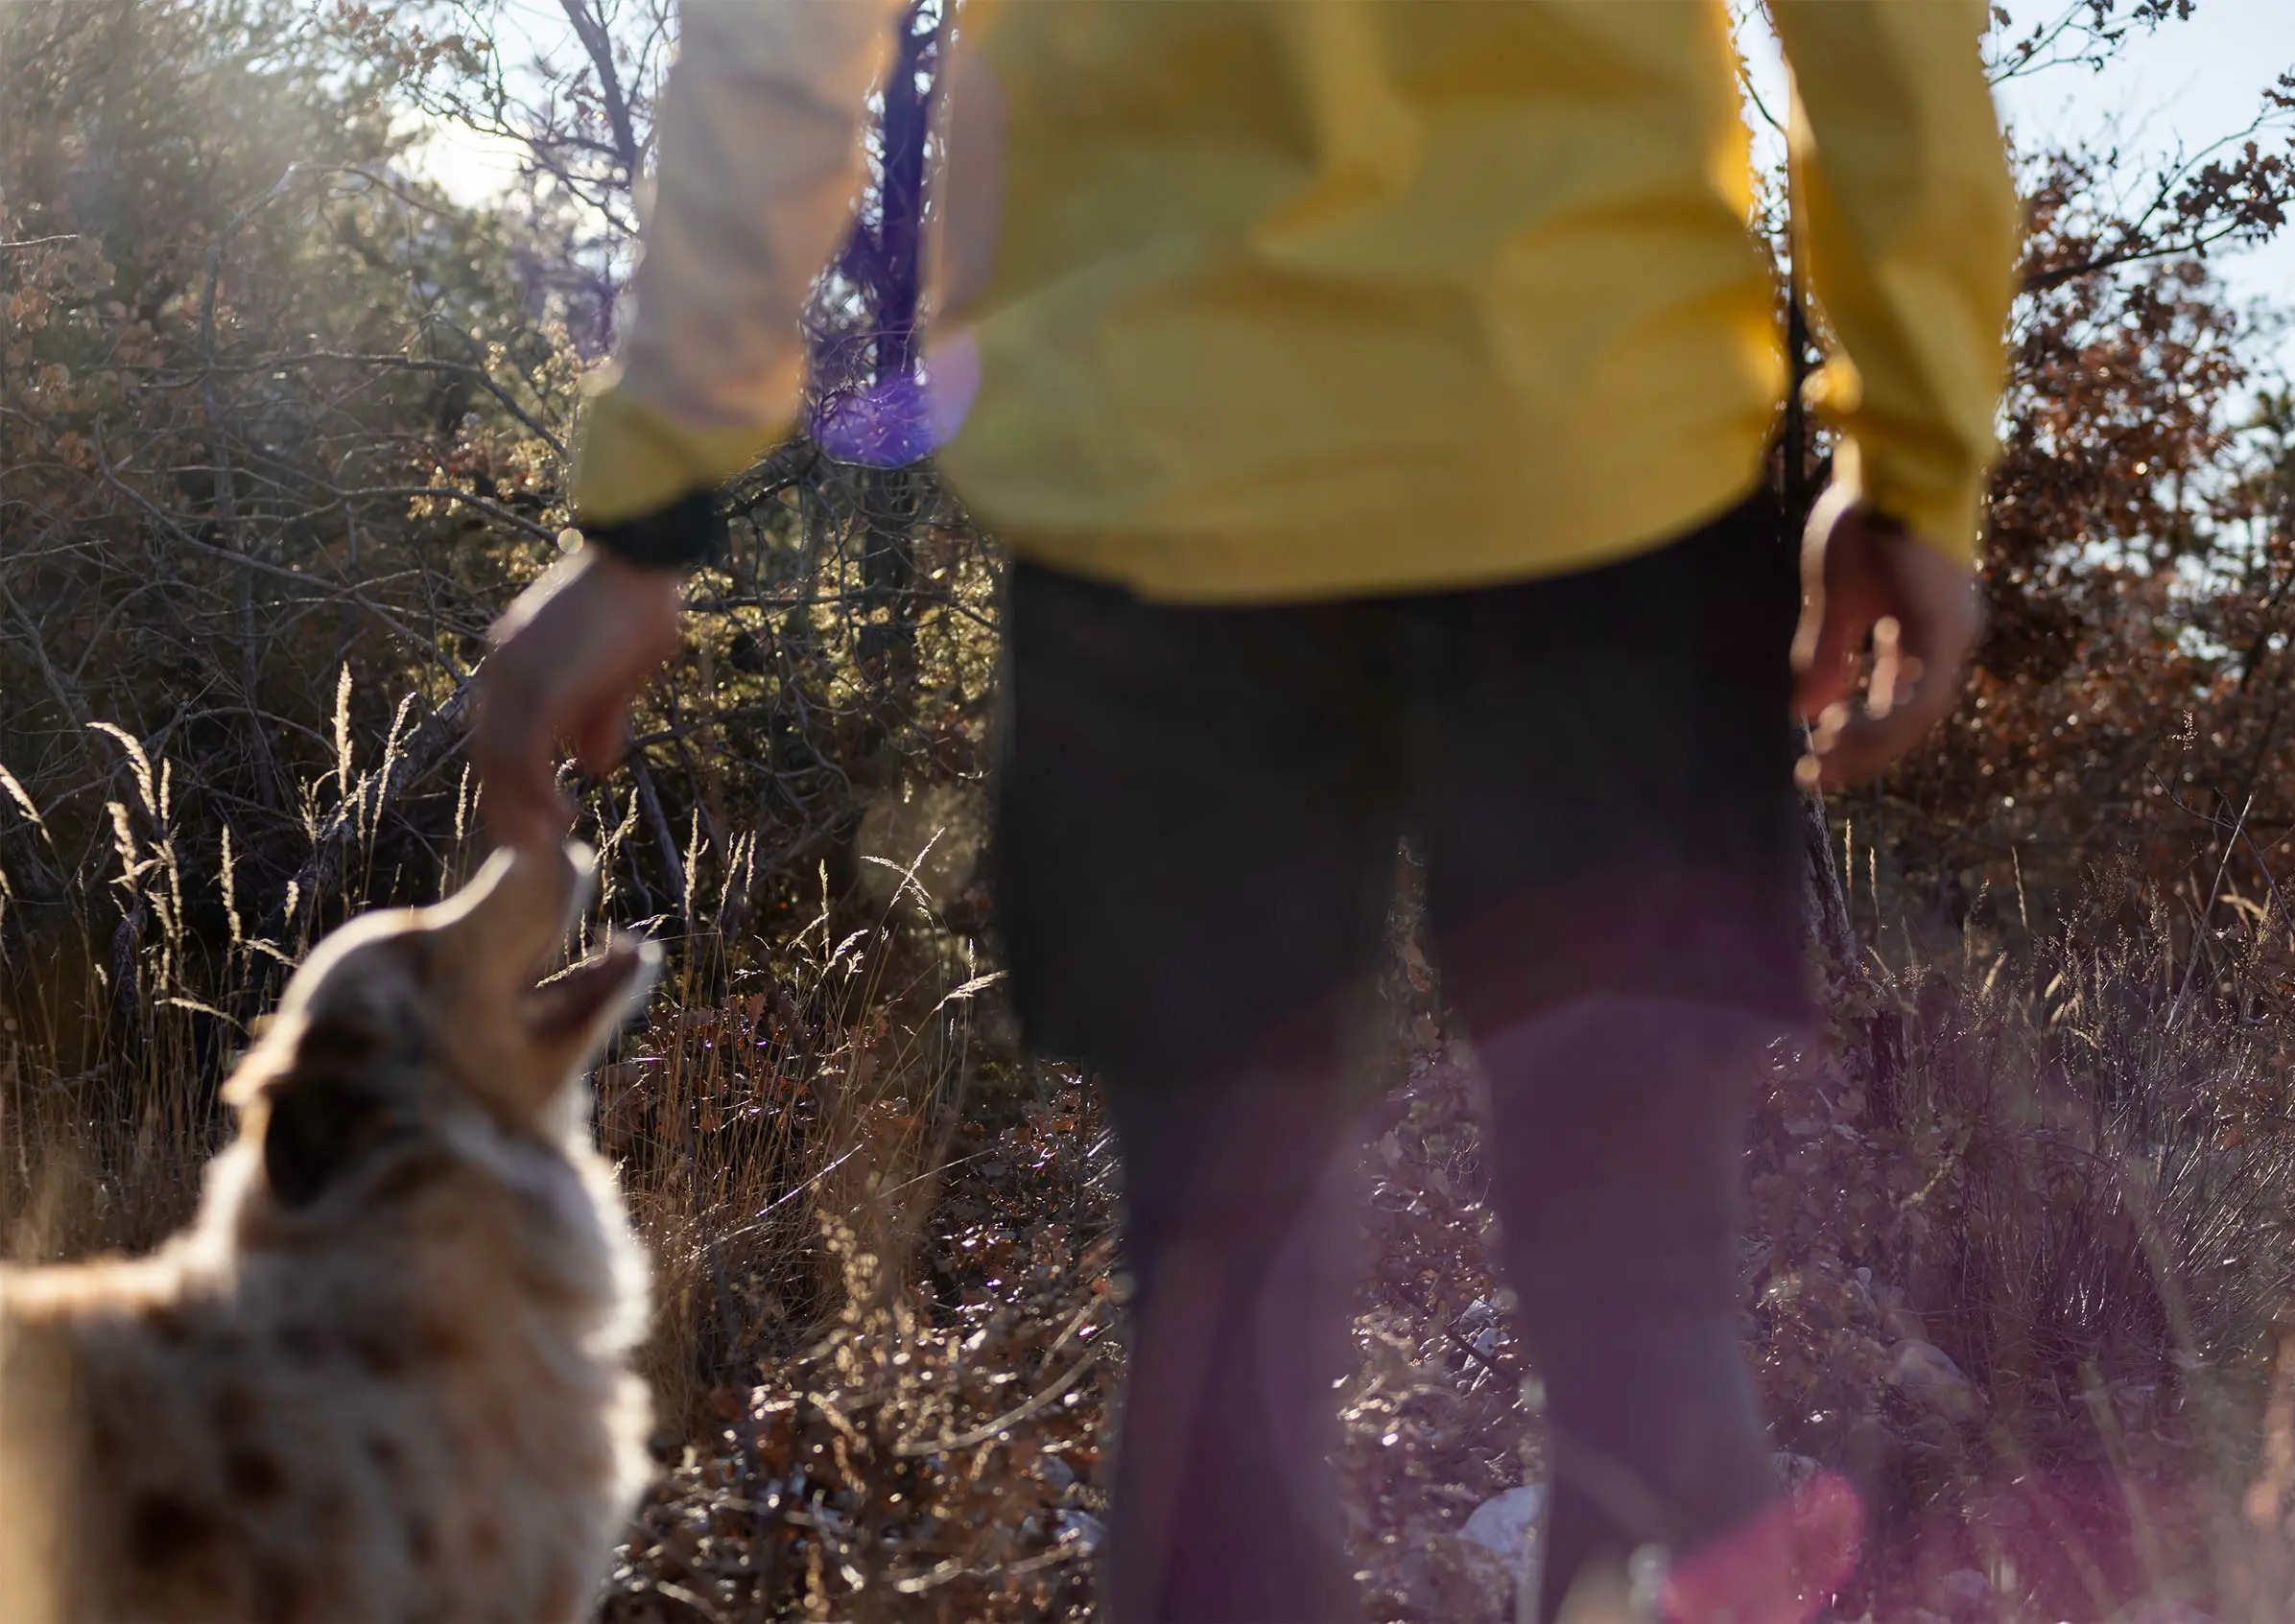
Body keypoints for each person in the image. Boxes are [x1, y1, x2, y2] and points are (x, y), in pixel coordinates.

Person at [474, 4, 2015, 1618]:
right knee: (1646, 1277)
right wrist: (1912, 458)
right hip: (1599, 454)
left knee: (1222, 1268)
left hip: (1161, 481)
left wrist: (652, 502)